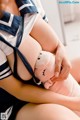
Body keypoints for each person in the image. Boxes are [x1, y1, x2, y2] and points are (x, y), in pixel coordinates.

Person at [0, 0, 80, 120]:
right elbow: (18, 90)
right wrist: (73, 102)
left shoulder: (30, 2)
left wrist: (61, 50)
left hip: (51, 78)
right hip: (22, 100)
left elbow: (53, 42)